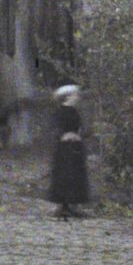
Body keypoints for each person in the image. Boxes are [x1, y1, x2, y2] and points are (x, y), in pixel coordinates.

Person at [48, 84, 91, 220]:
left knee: (76, 175)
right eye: (75, 95)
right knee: (64, 174)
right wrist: (64, 135)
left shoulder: (75, 111)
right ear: (68, 96)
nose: (77, 97)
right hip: (65, 148)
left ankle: (74, 205)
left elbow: (80, 128)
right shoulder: (60, 111)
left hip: (76, 147)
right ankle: (63, 205)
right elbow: (56, 128)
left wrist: (79, 135)